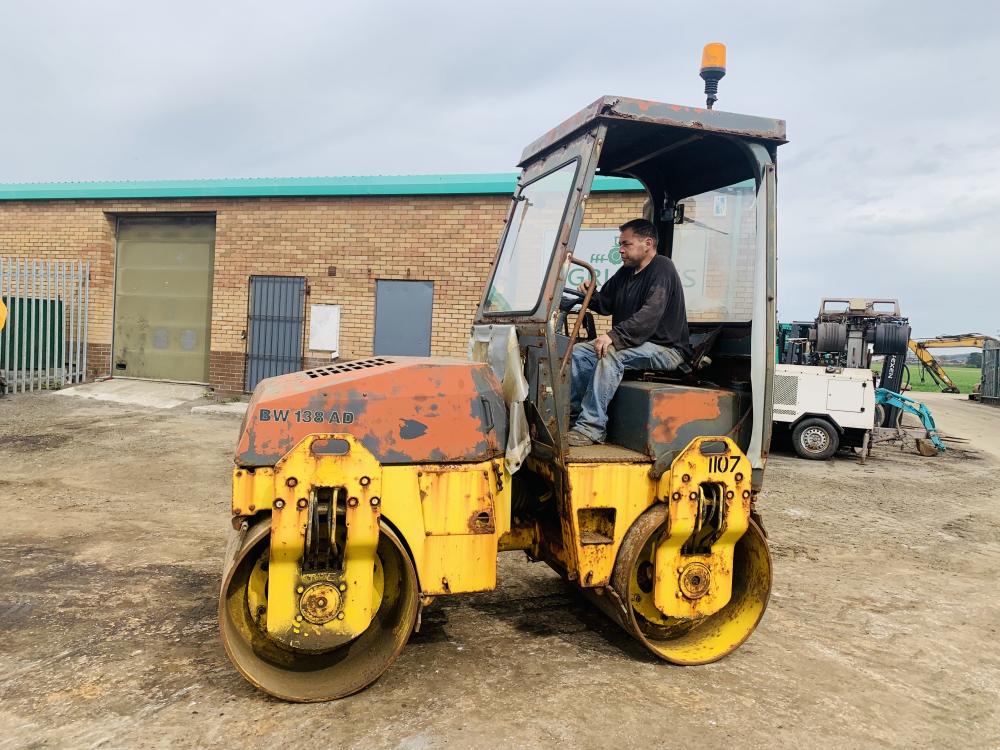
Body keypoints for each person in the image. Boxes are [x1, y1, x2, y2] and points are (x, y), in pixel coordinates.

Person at [567, 218, 691, 447]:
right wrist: (590, 294)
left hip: (667, 349)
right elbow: (605, 303)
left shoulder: (662, 268)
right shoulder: (625, 273)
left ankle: (591, 428)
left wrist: (614, 336)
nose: (621, 250)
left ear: (647, 243)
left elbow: (650, 314)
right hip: (637, 345)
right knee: (578, 352)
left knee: (610, 352)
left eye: (626, 244)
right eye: (620, 245)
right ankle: (573, 419)